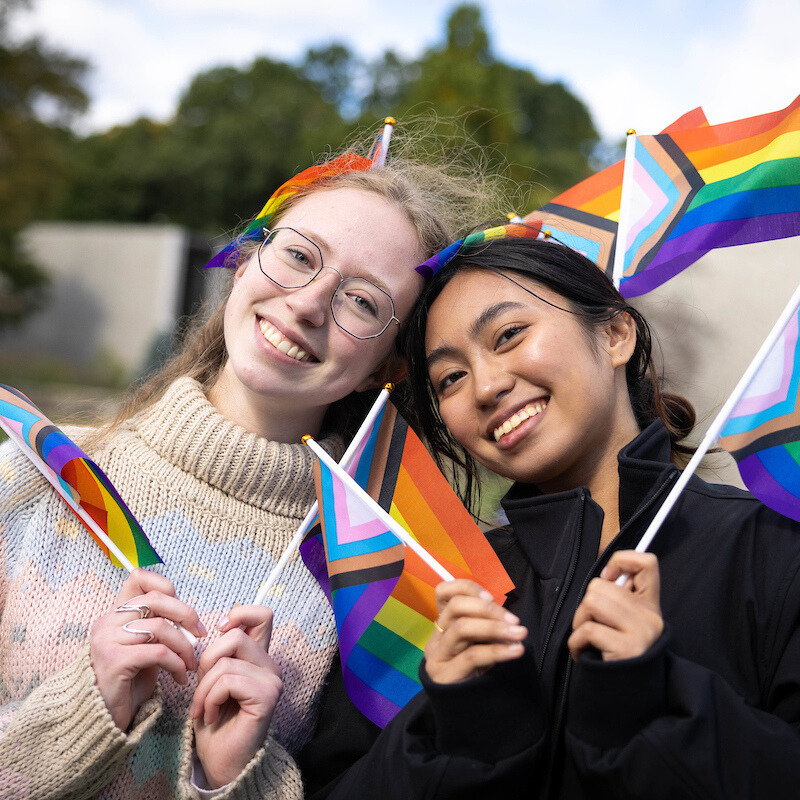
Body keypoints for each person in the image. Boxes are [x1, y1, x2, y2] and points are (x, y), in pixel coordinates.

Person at [0, 122, 506, 800]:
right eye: (299, 256)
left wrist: (236, 773)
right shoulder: (36, 472)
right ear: (244, 262)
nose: (307, 304)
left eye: (363, 301)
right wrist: (88, 710)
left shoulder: (368, 581)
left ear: (381, 370)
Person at [300, 230, 800, 798]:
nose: (486, 385)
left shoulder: (771, 551)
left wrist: (661, 700)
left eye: (509, 335)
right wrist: (459, 732)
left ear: (614, 334)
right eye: (451, 378)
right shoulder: (438, 592)